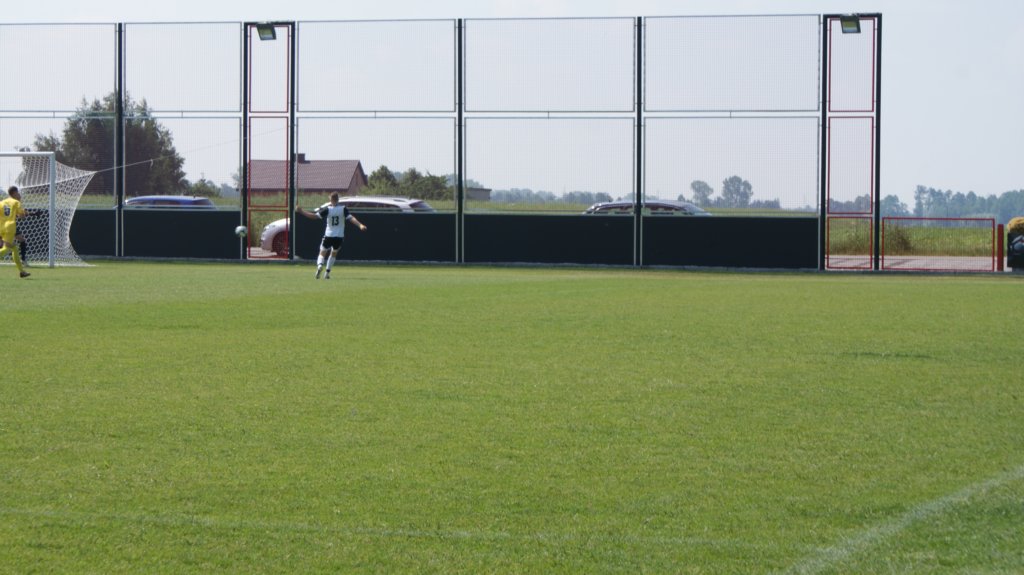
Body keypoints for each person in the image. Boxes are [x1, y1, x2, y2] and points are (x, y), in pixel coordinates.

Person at [295, 192, 367, 279]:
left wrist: (301, 211)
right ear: (338, 199)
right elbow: (351, 218)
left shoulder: (328, 209)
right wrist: (360, 225)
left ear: (331, 199)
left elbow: (314, 216)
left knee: (322, 252)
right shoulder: (343, 209)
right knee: (334, 253)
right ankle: (327, 273)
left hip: (329, 235)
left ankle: (320, 266)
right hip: (339, 237)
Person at [0, 186, 30, 278]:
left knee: (14, 248)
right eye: (18, 193)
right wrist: (24, 213)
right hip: (10, 227)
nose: (19, 194)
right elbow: (21, 216)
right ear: (14, 193)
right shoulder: (16, 202)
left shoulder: (2, 202)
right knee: (6, 248)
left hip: (1, 227)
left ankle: (22, 272)